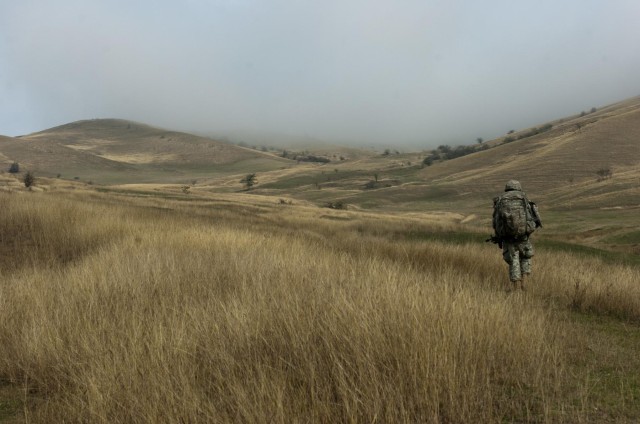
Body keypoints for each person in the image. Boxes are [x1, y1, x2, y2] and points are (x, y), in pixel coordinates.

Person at [492, 180, 541, 291]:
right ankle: (525, 284)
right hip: (523, 235)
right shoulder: (524, 198)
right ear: (518, 187)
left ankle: (515, 288)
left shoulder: (501, 200)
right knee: (526, 257)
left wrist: (499, 234)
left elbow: (496, 220)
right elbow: (535, 216)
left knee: (513, 259)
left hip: (508, 237)